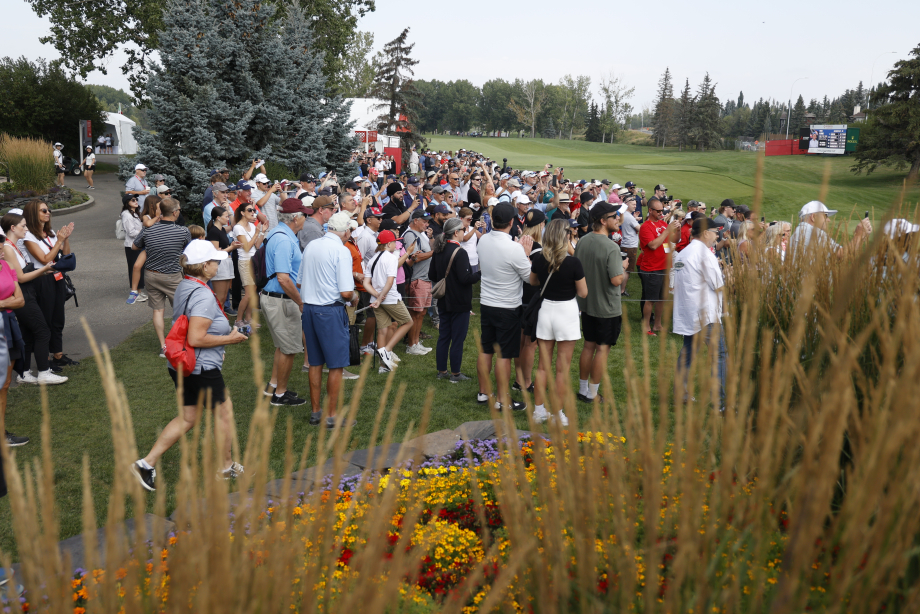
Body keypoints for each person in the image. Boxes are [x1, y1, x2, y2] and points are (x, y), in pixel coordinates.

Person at [130, 240, 249, 491]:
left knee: (188, 418)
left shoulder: (186, 284)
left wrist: (219, 346)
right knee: (224, 413)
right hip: (200, 368)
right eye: (215, 261)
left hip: (182, 365)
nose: (218, 265)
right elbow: (196, 338)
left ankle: (146, 463)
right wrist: (230, 338)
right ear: (204, 266)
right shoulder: (204, 294)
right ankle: (226, 467)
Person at [297, 212, 357, 428]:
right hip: (330, 311)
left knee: (314, 362)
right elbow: (347, 293)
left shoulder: (312, 245)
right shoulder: (341, 251)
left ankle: (316, 413)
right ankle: (331, 416)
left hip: (310, 310)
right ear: (345, 231)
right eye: (350, 230)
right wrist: (355, 296)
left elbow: (300, 281)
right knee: (336, 365)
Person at [475, 203, 532, 412]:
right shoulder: (514, 248)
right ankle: (502, 399)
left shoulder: (483, 241)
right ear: (511, 222)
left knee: (486, 349)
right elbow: (530, 278)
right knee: (504, 355)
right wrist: (525, 253)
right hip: (507, 306)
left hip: (487, 303)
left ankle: (484, 392)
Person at [574, 203, 627, 405]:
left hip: (587, 305)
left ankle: (582, 389)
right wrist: (622, 268)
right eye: (615, 216)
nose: (618, 219)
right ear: (603, 221)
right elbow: (616, 280)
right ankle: (592, 393)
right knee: (602, 349)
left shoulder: (583, 241)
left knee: (588, 346)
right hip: (607, 307)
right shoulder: (611, 247)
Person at [1, 213, 62, 389]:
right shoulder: (8, 248)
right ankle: (44, 372)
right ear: (12, 228)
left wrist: (44, 270)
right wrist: (43, 270)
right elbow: (20, 277)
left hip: (29, 292)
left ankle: (24, 372)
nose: (26, 229)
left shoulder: (14, 246)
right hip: (23, 294)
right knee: (43, 331)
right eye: (23, 226)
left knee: (27, 334)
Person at [672, 218, 727, 407]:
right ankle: (720, 401)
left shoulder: (683, 253)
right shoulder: (704, 254)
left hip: (689, 311)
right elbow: (718, 285)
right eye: (715, 231)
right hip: (706, 314)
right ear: (705, 233)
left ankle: (680, 395)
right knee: (719, 354)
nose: (717, 235)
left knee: (688, 352)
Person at [261, 199, 309, 407]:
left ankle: (272, 387)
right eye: (304, 214)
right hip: (282, 299)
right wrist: (300, 301)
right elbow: (283, 277)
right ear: (295, 218)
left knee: (283, 346)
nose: (306, 218)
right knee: (289, 348)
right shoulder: (283, 240)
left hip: (278, 298)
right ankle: (279, 395)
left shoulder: (280, 234)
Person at [22, 200, 78, 370]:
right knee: (45, 318)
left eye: (48, 210)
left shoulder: (51, 232)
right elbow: (45, 259)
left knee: (58, 317)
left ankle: (58, 354)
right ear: (33, 214)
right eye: (43, 210)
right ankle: (44, 357)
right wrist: (59, 241)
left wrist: (65, 239)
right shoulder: (29, 236)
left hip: (57, 277)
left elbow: (65, 256)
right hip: (42, 278)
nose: (48, 213)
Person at [132, 197, 192, 356]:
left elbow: (135, 246)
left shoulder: (148, 229)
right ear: (175, 212)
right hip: (173, 277)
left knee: (158, 311)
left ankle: (163, 347)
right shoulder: (183, 231)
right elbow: (189, 251)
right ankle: (180, 343)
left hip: (151, 275)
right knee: (181, 311)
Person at [429, 217, 480, 383]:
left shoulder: (439, 250)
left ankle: (441, 371)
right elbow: (465, 279)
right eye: (463, 230)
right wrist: (480, 273)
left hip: (443, 299)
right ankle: (455, 374)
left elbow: (432, 275)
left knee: (444, 336)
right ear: (456, 232)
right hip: (459, 301)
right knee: (457, 338)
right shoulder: (460, 252)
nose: (464, 232)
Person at [364, 230, 415, 372]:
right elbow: (390, 281)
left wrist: (377, 296)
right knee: (408, 322)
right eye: (394, 242)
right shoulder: (391, 258)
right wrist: (380, 297)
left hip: (378, 299)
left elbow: (366, 283)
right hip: (390, 298)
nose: (396, 244)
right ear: (388, 244)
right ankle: (386, 350)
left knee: (382, 330)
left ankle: (383, 366)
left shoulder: (373, 259)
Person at [637, 197, 679, 336]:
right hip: (651, 268)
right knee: (650, 299)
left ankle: (658, 325)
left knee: (662, 298)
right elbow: (653, 245)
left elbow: (674, 240)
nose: (662, 213)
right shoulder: (645, 227)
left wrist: (677, 230)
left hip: (664, 267)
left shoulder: (662, 224)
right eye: (659, 211)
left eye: (663, 210)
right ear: (650, 210)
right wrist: (667, 231)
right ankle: (645, 326)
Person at [787, 201, 872, 260]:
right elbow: (842, 255)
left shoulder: (801, 231)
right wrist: (859, 234)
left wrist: (862, 236)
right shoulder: (813, 232)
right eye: (826, 216)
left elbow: (835, 259)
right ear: (813, 217)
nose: (828, 220)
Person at [402, 210, 434, 355]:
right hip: (416, 279)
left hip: (425, 278)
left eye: (428, 222)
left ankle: (416, 342)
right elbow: (414, 258)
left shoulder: (420, 235)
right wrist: (435, 252)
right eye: (424, 221)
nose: (427, 224)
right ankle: (411, 345)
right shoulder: (410, 235)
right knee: (415, 313)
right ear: (415, 220)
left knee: (422, 313)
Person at [232, 202, 265, 326]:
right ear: (242, 213)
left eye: (254, 210)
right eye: (250, 210)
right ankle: (238, 320)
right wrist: (257, 233)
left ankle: (248, 318)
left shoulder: (252, 225)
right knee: (249, 293)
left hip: (254, 260)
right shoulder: (238, 227)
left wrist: (261, 232)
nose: (253, 212)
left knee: (253, 291)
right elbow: (246, 247)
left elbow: (256, 245)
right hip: (245, 261)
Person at [206, 206, 241, 310]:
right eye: (226, 216)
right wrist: (232, 247)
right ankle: (216, 322)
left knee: (224, 296)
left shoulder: (221, 230)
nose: (227, 219)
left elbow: (222, 249)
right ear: (218, 217)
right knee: (219, 298)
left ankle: (221, 320)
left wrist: (231, 246)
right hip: (219, 264)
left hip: (226, 262)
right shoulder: (213, 231)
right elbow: (216, 252)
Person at [121, 195, 147, 301]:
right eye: (133, 200)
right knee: (134, 268)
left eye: (136, 199)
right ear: (127, 202)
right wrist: (144, 233)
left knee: (140, 268)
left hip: (139, 244)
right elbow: (131, 232)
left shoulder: (136, 213)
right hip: (132, 245)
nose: (136, 201)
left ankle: (139, 291)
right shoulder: (126, 215)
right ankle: (135, 292)